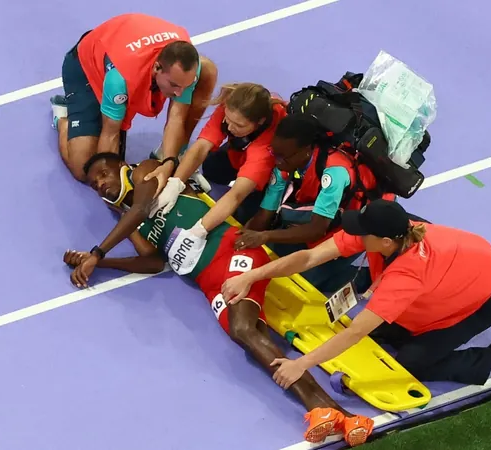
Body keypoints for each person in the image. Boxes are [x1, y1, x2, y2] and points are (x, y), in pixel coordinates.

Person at [64, 152, 374, 446]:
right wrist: (101, 264)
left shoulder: (145, 171)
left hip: (230, 252)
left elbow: (142, 208)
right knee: (253, 341)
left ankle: (333, 412)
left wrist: (97, 253)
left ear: (122, 166)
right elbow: (153, 261)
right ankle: (336, 415)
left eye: (104, 174)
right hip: (210, 282)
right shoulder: (128, 219)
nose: (101, 184)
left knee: (243, 330)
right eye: (95, 184)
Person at [222, 199, 491, 389]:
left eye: (363, 232)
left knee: (410, 362)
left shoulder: (407, 275)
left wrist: (300, 365)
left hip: (487, 295)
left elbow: (355, 332)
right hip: (461, 267)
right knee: (386, 329)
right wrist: (251, 276)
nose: (355, 233)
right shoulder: (392, 232)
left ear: (384, 242)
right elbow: (310, 258)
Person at [50, 13, 218, 182]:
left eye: (185, 86)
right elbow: (111, 133)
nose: (180, 93)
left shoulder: (185, 72)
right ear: (157, 68)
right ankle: (63, 117)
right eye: (174, 85)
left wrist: (169, 162)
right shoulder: (120, 80)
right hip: (86, 67)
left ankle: (175, 152)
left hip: (121, 49)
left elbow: (177, 117)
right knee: (85, 169)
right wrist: (114, 186)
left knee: (207, 71)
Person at [235, 113, 393, 293]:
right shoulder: (284, 162)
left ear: (307, 150)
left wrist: (265, 236)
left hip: (356, 224)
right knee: (256, 235)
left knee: (306, 280)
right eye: (274, 153)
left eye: (284, 157)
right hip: (318, 213)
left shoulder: (334, 174)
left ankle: (364, 277)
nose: (278, 162)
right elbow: (265, 213)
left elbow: (316, 230)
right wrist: (243, 237)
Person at [146, 82, 284, 227]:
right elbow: (202, 146)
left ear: (259, 122)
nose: (230, 128)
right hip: (238, 152)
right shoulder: (233, 103)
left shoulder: (269, 141)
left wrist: (199, 230)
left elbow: (236, 194)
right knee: (212, 166)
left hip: (268, 172)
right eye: (228, 120)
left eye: (239, 125)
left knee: (241, 215)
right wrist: (175, 183)